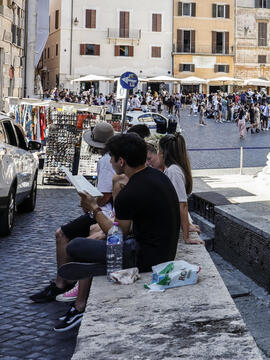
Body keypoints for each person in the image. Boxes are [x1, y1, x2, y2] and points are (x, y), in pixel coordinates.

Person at [54, 133, 180, 332]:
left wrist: (95, 209)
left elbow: (117, 236)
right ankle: (94, 275)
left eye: (111, 158)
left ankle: (81, 300)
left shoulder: (130, 192)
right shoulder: (156, 176)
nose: (110, 162)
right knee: (95, 239)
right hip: (165, 250)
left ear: (121, 161)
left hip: (145, 257)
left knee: (76, 245)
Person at [29, 122, 116, 305]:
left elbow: (106, 195)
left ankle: (62, 282)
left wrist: (89, 204)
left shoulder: (106, 161)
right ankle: (66, 280)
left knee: (61, 234)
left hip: (103, 213)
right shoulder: (110, 159)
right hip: (104, 211)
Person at [158, 133, 201, 245]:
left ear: (163, 153)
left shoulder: (173, 172)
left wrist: (187, 237)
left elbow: (182, 204)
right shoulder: (174, 169)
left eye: (159, 150)